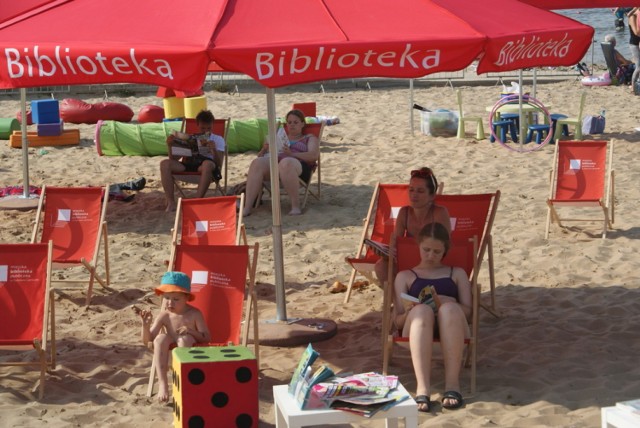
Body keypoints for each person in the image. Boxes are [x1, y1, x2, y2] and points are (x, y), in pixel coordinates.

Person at [392, 223, 472, 412]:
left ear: (445, 250)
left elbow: (468, 313)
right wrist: (412, 310)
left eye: (437, 251)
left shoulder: (457, 273)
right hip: (416, 327)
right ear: (418, 246)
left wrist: (445, 301)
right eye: (426, 249)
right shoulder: (405, 276)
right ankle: (423, 388)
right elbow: (397, 321)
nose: (430, 256)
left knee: (449, 309)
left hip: (454, 325)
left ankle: (452, 386)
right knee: (422, 311)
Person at [139, 271, 211, 402]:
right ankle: (163, 384)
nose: (170, 303)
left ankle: (184, 384)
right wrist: (145, 325)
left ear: (186, 298)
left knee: (184, 339)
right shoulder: (164, 315)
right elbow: (147, 340)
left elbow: (206, 338)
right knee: (160, 338)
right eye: (166, 298)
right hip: (168, 357)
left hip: (190, 356)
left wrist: (190, 331)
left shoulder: (194, 314)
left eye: (176, 299)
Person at [374, 167, 451, 287]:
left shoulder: (439, 213)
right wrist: (385, 253)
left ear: (431, 196)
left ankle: (406, 300)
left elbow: (445, 247)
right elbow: (394, 243)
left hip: (433, 261)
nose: (414, 195)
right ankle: (401, 301)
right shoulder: (404, 213)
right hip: (408, 262)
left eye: (420, 191)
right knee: (381, 266)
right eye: (411, 190)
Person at [242, 109, 319, 216]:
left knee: (286, 162)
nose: (292, 125)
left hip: (299, 168)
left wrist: (292, 154)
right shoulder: (280, 138)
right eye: (289, 122)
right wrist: (264, 149)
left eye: (295, 122)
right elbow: (261, 156)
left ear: (302, 124)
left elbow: (313, 156)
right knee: (257, 163)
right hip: (277, 166)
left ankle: (295, 206)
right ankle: (247, 208)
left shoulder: (309, 138)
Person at [160, 109, 225, 212]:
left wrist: (214, 149)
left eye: (209, 128)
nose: (206, 131)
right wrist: (170, 145)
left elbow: (219, 164)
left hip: (205, 168)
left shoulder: (218, 139)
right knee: (164, 164)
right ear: (197, 125)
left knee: (207, 164)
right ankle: (171, 203)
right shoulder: (189, 138)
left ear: (213, 125)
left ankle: (196, 202)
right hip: (188, 164)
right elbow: (173, 159)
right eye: (203, 128)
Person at [627, 7, 640, 89]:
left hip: (637, 43)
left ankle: (636, 83)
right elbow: (636, 32)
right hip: (634, 44)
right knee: (638, 66)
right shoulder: (632, 17)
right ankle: (633, 85)